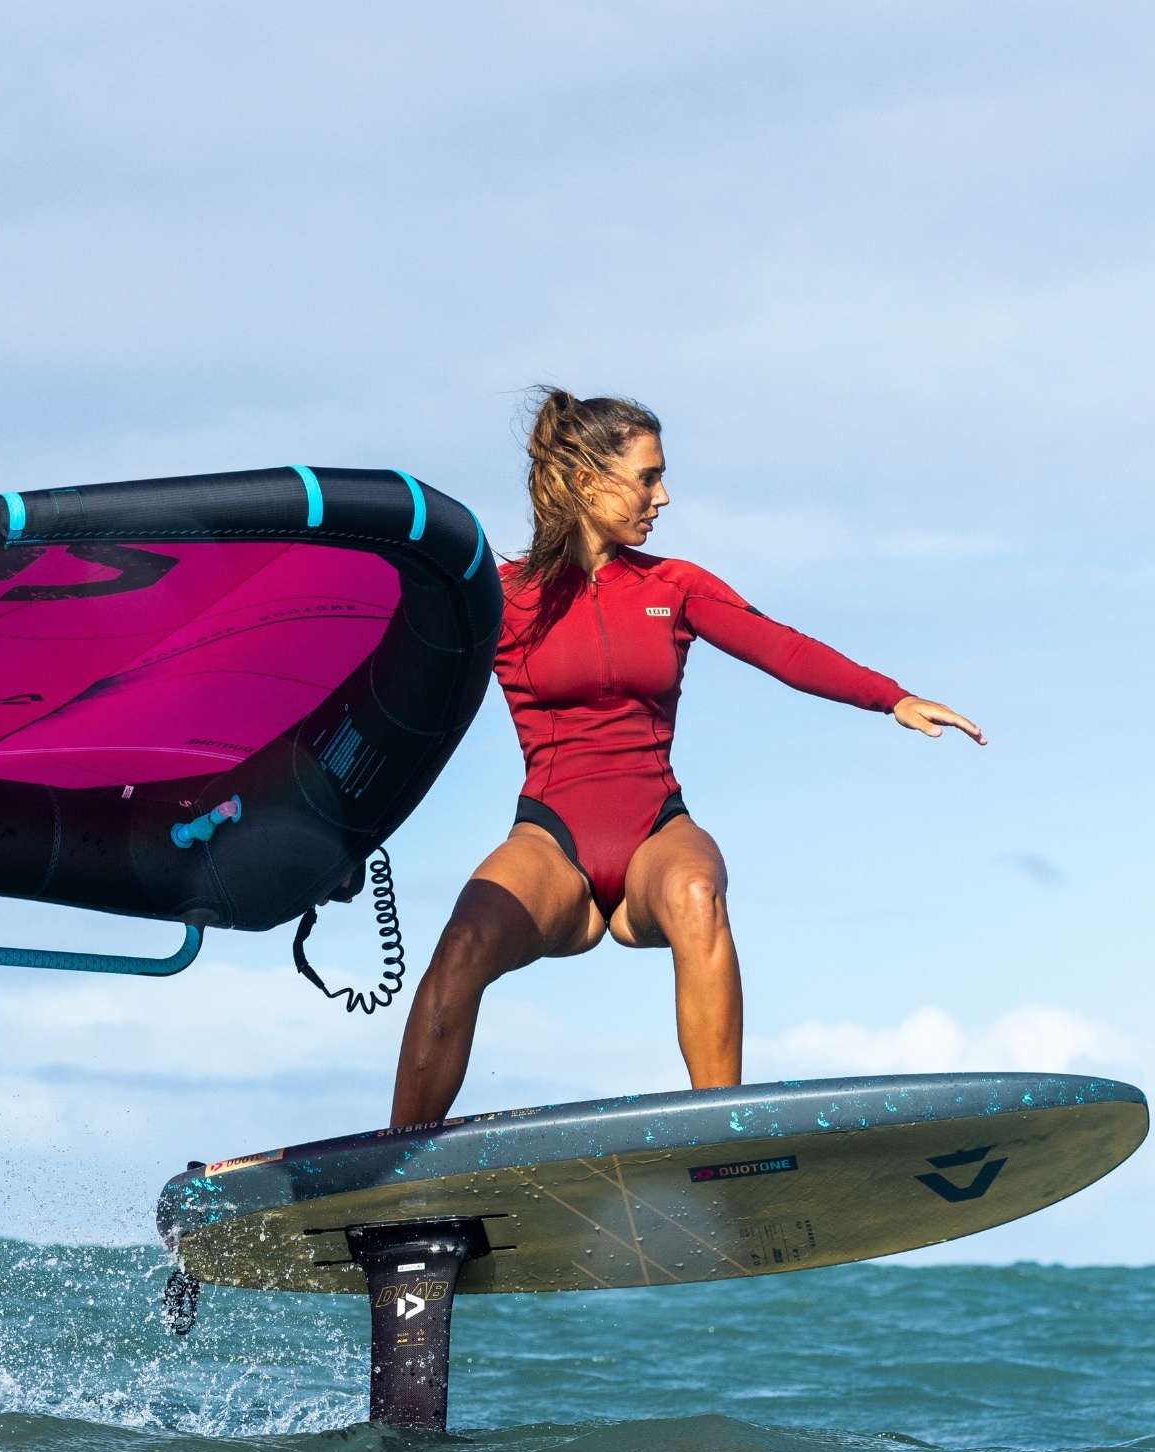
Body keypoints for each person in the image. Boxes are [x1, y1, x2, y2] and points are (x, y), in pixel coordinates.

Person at [389, 388, 983, 1126]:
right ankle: (394, 1160)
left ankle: (720, 1134)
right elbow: (403, 702)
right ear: (588, 482)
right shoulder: (504, 598)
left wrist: (890, 697)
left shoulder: (673, 587)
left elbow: (783, 648)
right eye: (647, 478)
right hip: (550, 840)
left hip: (655, 833)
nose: (661, 497)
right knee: (464, 943)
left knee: (699, 894)